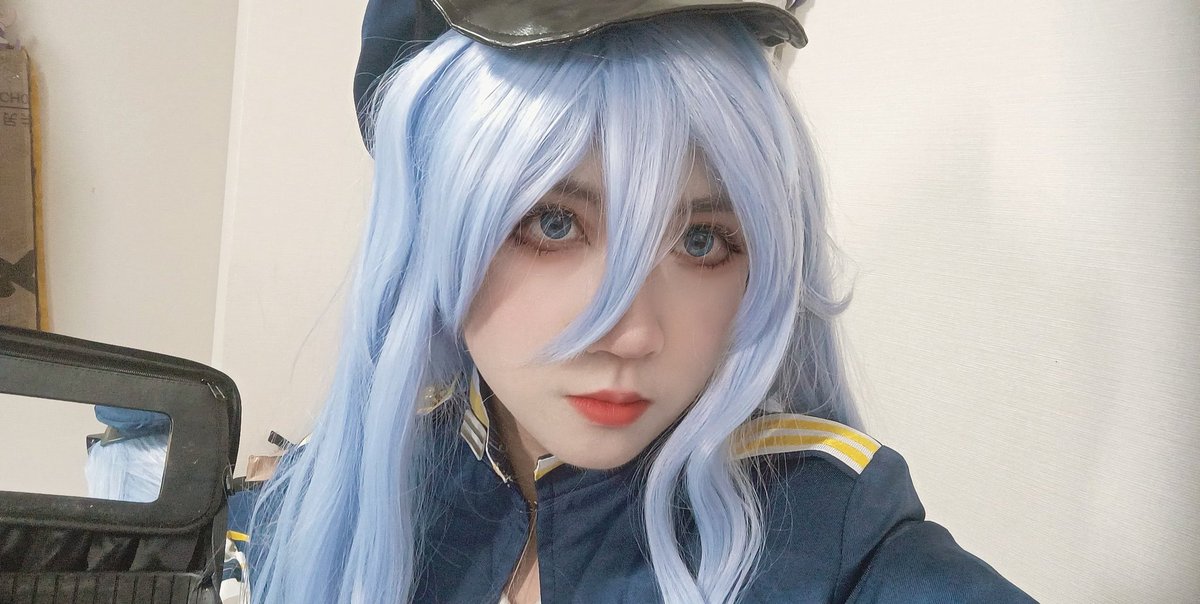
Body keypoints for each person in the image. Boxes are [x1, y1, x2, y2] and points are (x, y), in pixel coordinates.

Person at [243, 1, 1036, 602]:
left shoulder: (830, 539)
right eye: (554, 223)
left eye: (702, 240)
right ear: (434, 227)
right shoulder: (320, 511)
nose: (632, 333)